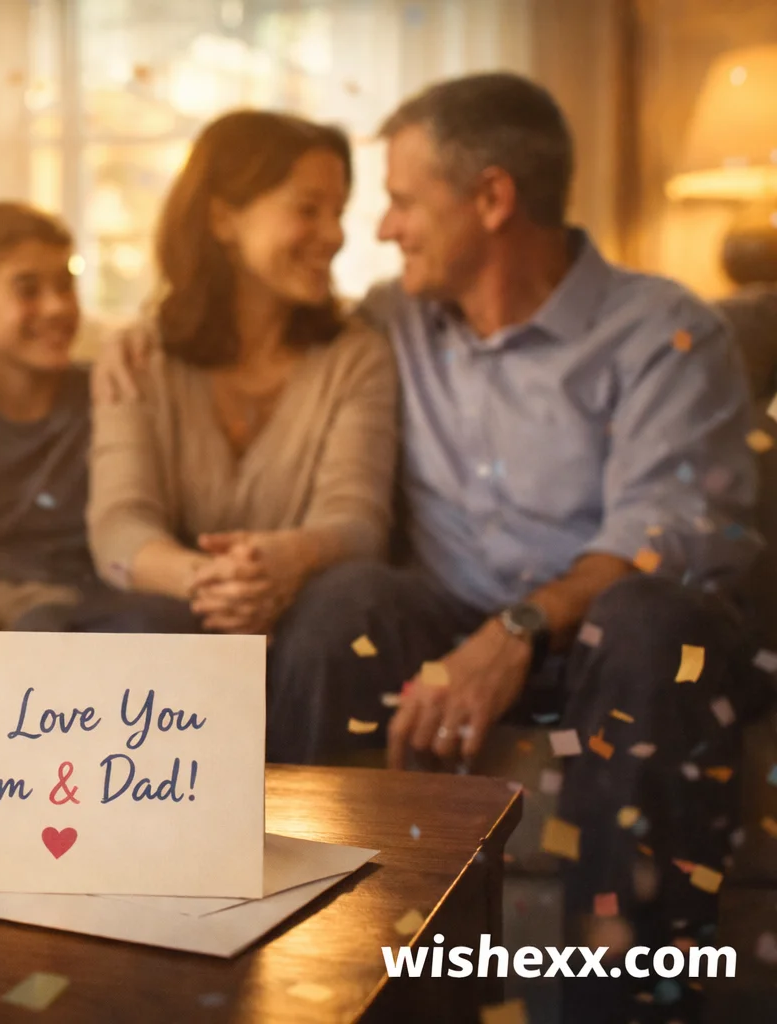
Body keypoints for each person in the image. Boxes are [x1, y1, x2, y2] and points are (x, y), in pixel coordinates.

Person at [103, 74, 766, 1022]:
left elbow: (665, 540)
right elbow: (259, 327)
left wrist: (514, 633)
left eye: (403, 202)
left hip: (621, 640)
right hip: (449, 618)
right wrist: (142, 336)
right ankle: (329, 984)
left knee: (651, 625)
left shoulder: (663, 331)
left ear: (492, 199)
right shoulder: (393, 322)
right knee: (347, 604)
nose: (380, 230)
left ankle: (623, 1006)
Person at [88, 110, 398, 635]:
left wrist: (291, 559)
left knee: (351, 604)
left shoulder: (356, 357)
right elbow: (119, 527)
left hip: (314, 624)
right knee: (139, 625)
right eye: (308, 209)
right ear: (222, 220)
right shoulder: (140, 358)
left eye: (338, 212)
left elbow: (357, 522)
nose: (334, 235)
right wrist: (209, 582)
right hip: (182, 611)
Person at [0, 202, 198, 632]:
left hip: (105, 612)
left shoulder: (113, 395)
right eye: (28, 290)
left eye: (66, 285)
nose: (58, 307)